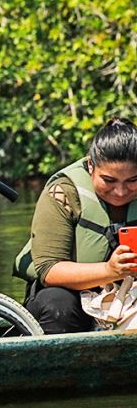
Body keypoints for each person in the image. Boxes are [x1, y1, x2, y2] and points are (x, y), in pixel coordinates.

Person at [17, 118, 137, 333]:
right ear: (90, 165)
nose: (120, 191)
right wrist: (109, 271)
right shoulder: (63, 191)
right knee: (57, 304)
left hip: (129, 296)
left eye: (132, 181)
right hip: (67, 298)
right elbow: (48, 269)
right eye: (109, 180)